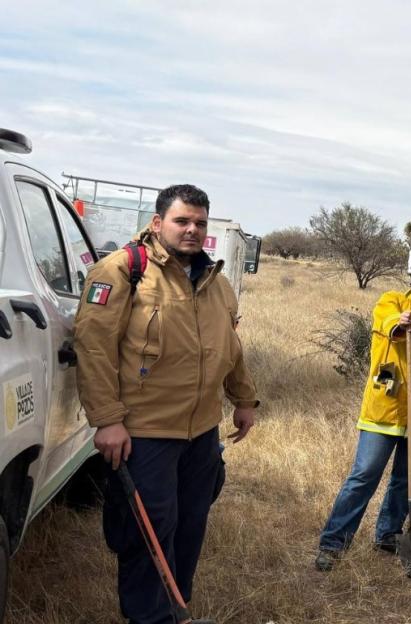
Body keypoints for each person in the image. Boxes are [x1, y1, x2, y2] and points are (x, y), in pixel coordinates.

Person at [74, 184, 259, 624]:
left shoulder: (217, 282)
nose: (192, 230)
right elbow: (93, 348)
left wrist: (244, 399)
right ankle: (151, 618)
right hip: (144, 432)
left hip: (200, 433)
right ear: (158, 224)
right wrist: (107, 420)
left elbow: (228, 347)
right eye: (182, 221)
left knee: (190, 526)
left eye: (200, 223)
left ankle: (175, 609)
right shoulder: (121, 271)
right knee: (149, 533)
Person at [315, 249, 411, 571]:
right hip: (385, 408)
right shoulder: (391, 300)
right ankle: (333, 543)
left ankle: (389, 535)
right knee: (364, 474)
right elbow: (384, 322)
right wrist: (401, 322)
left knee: (405, 480)